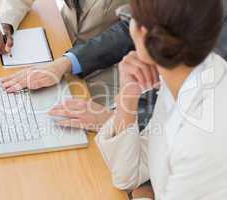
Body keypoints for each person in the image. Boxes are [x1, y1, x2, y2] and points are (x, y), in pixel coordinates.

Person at [95, 0, 227, 199]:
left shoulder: (202, 139)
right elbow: (129, 175)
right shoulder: (184, 76)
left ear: (144, 32)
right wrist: (128, 95)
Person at [0, 0, 128, 132]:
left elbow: (129, 30)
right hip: (58, 44)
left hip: (110, 67)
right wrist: (5, 22)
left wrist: (65, 63)